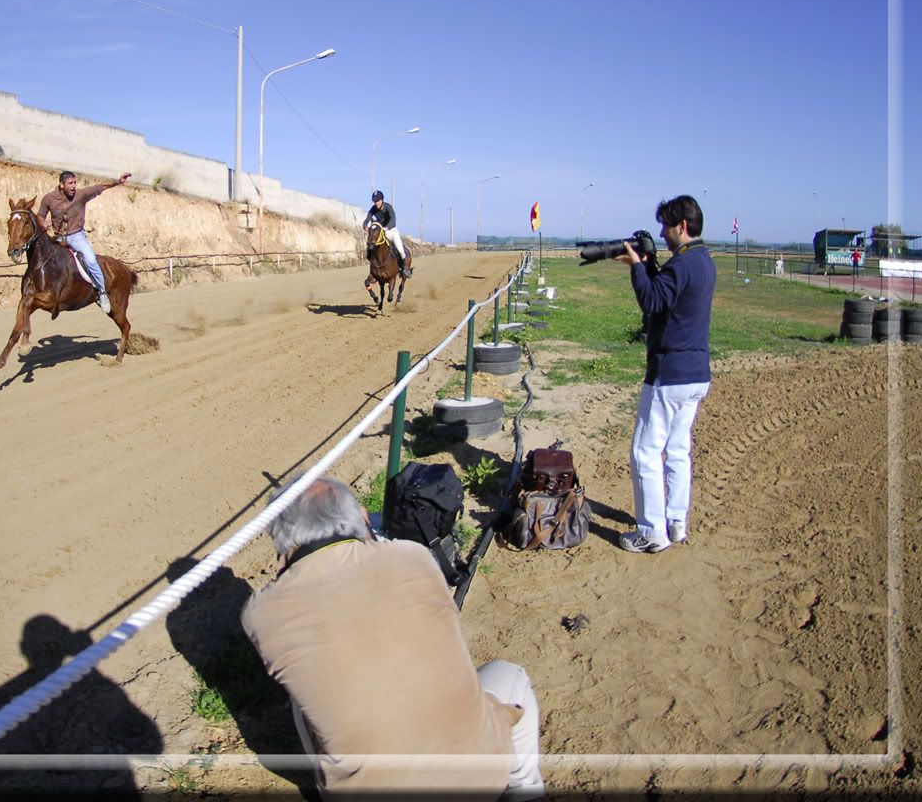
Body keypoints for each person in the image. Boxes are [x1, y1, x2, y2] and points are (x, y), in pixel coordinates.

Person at [242, 477, 545, 799]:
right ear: (360, 514)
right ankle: (526, 792)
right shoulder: (413, 557)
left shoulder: (262, 613)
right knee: (510, 675)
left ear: (280, 538)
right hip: (478, 783)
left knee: (303, 698)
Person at [614, 195, 716, 554]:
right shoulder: (702, 262)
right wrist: (649, 266)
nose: (662, 232)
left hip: (669, 375)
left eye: (666, 226)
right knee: (677, 451)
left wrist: (637, 267)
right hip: (695, 374)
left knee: (645, 452)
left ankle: (652, 532)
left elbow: (652, 302)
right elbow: (668, 296)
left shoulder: (682, 265)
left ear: (682, 226)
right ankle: (676, 523)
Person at [38, 170, 131, 313]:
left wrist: (118, 181)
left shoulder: (81, 195)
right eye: (70, 183)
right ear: (61, 185)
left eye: (75, 182)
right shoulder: (49, 199)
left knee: (91, 260)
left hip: (77, 237)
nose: (74, 186)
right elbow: (40, 216)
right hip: (58, 238)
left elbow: (101, 187)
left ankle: (102, 293)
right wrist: (43, 224)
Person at [363, 190, 412, 278]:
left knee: (400, 248)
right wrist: (365, 225)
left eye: (377, 201)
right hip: (380, 232)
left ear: (382, 200)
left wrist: (386, 227)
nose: (376, 203)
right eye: (374, 201)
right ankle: (374, 268)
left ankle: (404, 268)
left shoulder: (388, 207)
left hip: (391, 231)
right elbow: (367, 218)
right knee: (371, 246)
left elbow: (393, 220)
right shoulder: (373, 209)